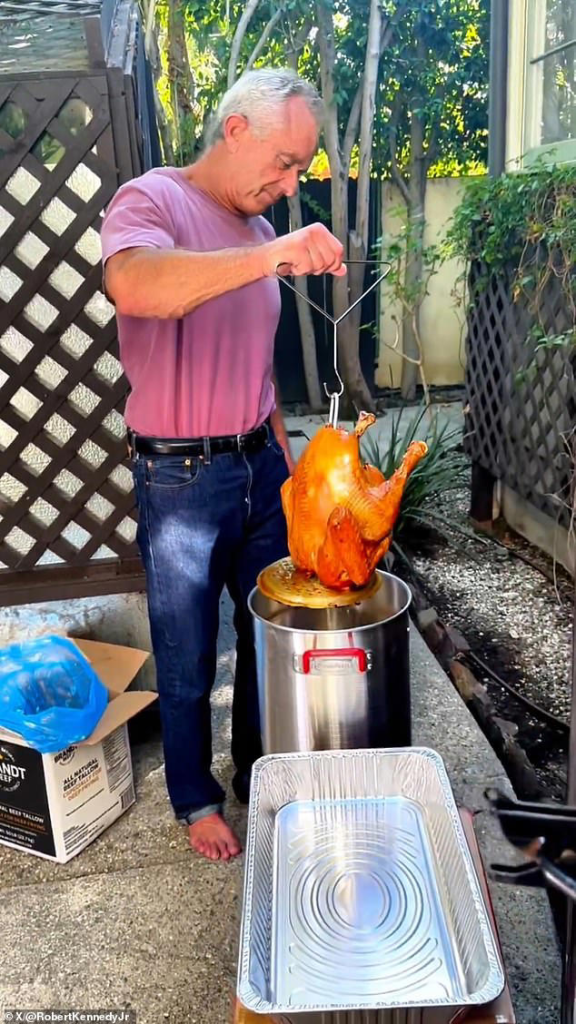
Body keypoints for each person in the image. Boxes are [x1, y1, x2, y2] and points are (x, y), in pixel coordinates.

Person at [100, 68, 345, 862]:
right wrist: (270, 254)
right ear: (236, 130)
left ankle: (257, 770)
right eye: (285, 162)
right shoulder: (151, 199)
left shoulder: (257, 229)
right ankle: (195, 798)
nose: (291, 182)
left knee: (272, 631)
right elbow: (138, 287)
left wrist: (288, 463)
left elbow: (255, 366)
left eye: (301, 168)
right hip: (181, 480)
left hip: (260, 465)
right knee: (188, 652)